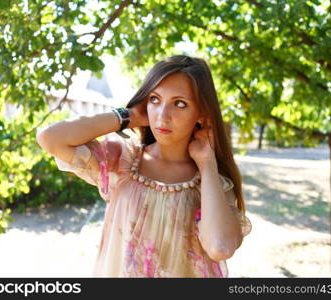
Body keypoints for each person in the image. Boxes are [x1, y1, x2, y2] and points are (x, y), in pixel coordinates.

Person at [36, 54, 252, 278]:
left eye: (180, 104)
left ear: (201, 115)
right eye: (155, 100)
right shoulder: (122, 160)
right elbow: (50, 137)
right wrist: (129, 116)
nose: (163, 116)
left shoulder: (210, 183)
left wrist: (207, 162)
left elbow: (220, 247)